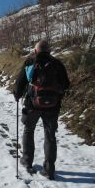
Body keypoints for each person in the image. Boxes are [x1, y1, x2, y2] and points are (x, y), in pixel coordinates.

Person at [14, 40, 70, 180]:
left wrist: (17, 95)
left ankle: (27, 162)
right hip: (52, 106)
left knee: (28, 130)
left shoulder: (30, 62)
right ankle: (49, 170)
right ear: (49, 51)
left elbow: (20, 83)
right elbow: (66, 84)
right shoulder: (57, 64)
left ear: (35, 51)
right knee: (50, 135)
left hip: (32, 105)